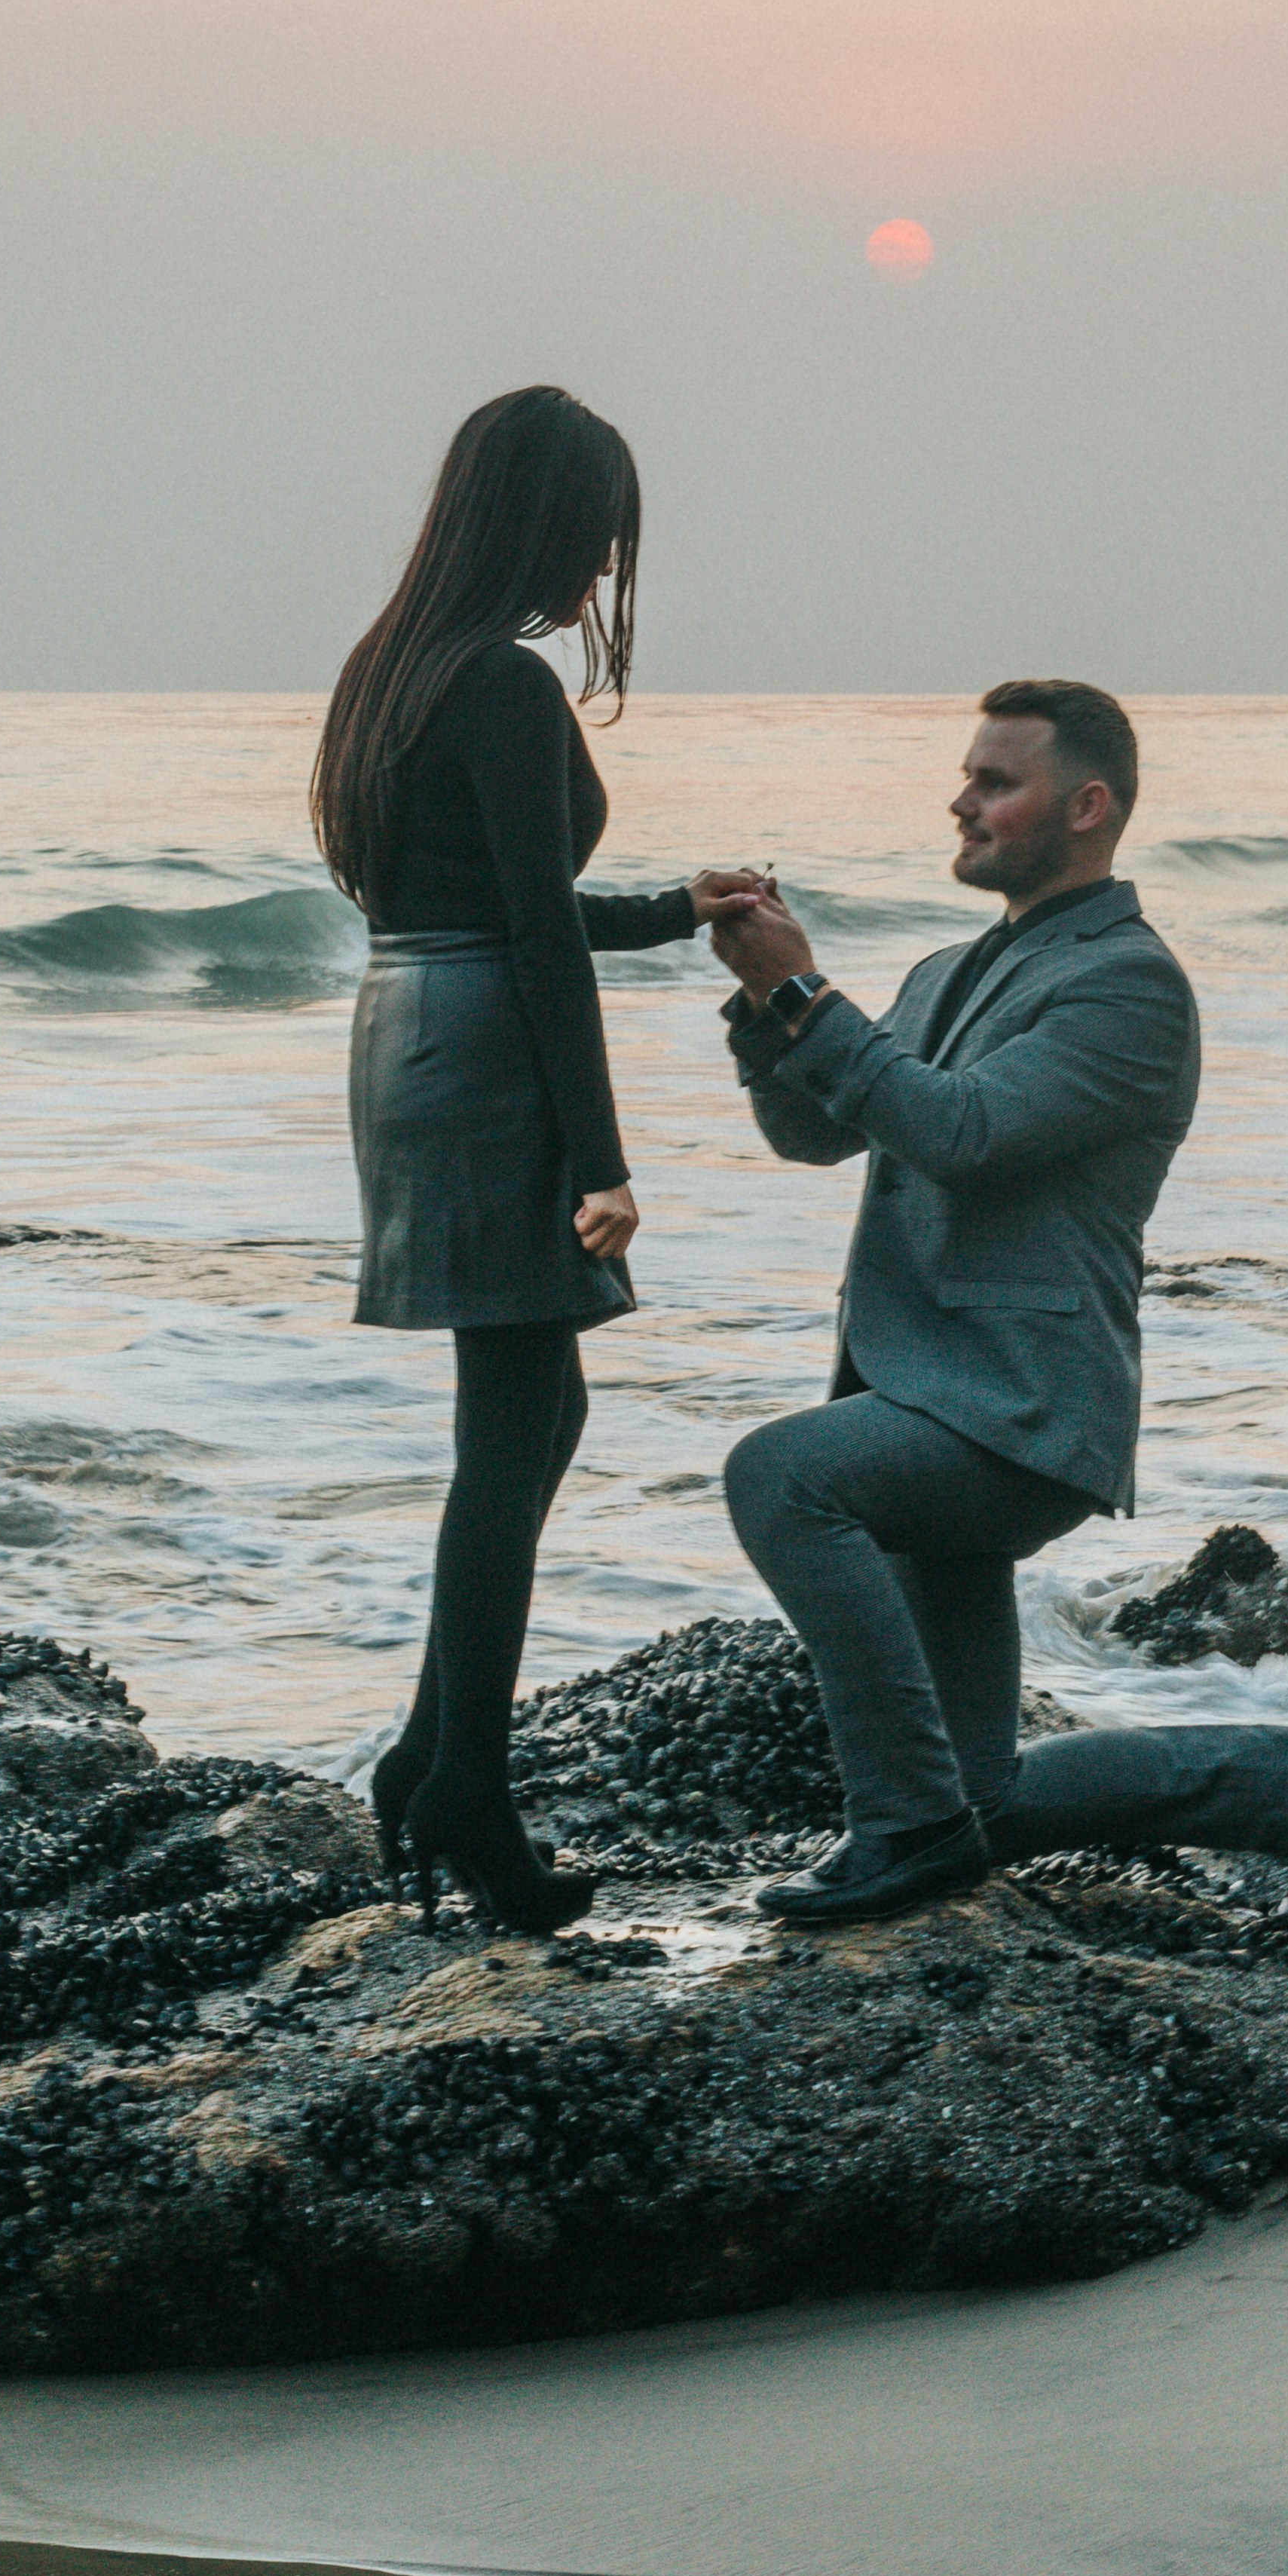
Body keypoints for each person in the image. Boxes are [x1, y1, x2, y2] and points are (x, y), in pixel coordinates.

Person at [712, 683, 1288, 1931]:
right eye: (966, 776)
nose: (961, 802)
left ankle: (901, 1832)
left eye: (995, 782)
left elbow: (964, 1134)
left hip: (1022, 1411)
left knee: (780, 1477)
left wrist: (812, 1000)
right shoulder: (944, 970)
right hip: (925, 1391)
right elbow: (814, 1129)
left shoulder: (1128, 987)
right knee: (985, 1802)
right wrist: (767, 1007)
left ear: (1087, 808)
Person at [314, 384, 760, 1937]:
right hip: (488, 1054)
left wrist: (662, 911)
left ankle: (434, 1758)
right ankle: (463, 1795)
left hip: (405, 1032)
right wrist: (603, 1160)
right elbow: (528, 946)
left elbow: (485, 900)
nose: (601, 579)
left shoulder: (387, 671)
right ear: (544, 530)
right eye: (595, 542)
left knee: (524, 1409)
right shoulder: (500, 686)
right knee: (516, 1425)